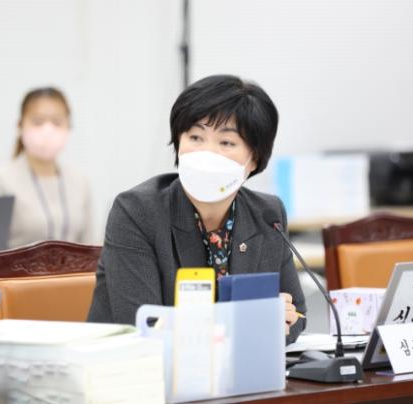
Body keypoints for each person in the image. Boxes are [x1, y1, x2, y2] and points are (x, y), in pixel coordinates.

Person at [88, 75, 306, 343]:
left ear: (254, 158)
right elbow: (144, 325)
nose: (207, 153)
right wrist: (253, 324)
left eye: (226, 143)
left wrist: (277, 322)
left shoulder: (267, 213)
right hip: (134, 365)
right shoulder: (137, 211)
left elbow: (297, 315)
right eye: (195, 137)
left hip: (238, 366)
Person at [0, 87, 92, 248]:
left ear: (69, 126)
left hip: (75, 266)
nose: (48, 130)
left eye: (57, 122)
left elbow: (90, 247)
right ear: (20, 126)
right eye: (38, 121)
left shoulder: (79, 181)